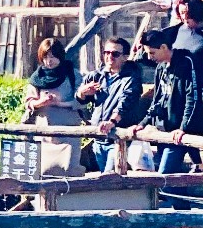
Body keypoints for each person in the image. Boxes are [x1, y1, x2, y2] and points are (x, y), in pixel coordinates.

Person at [115, 27, 201, 172]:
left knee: (164, 175)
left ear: (163, 47)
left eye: (152, 53)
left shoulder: (187, 63)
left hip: (184, 130)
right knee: (174, 178)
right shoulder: (161, 68)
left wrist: (183, 128)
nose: (149, 58)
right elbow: (158, 101)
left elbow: (192, 98)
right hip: (167, 129)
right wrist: (142, 123)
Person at [26, 27, 98, 175]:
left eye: (52, 56)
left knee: (70, 168)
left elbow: (81, 101)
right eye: (45, 57)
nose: (49, 61)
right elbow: (29, 102)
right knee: (45, 170)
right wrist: (41, 102)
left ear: (60, 56)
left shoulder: (73, 74)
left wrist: (59, 103)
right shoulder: (36, 77)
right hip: (45, 131)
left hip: (69, 130)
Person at [82, 35, 147, 172]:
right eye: (106, 52)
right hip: (98, 138)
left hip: (118, 138)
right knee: (103, 176)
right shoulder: (97, 75)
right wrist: (82, 93)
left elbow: (126, 103)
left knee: (110, 176)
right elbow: (80, 99)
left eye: (115, 54)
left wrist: (112, 121)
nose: (109, 57)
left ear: (125, 57)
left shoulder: (132, 78)